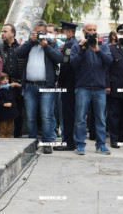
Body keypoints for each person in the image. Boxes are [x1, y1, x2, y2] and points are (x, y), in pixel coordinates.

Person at [16, 20, 63, 154]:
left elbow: (59, 58)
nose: (38, 34)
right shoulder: (29, 43)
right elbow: (18, 54)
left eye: (41, 32)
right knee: (30, 116)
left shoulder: (52, 43)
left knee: (46, 115)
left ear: (46, 32)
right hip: (30, 86)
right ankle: (32, 142)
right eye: (36, 32)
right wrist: (31, 41)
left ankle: (47, 143)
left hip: (46, 86)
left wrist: (45, 46)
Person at [70, 22, 113, 155]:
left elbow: (109, 61)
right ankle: (80, 145)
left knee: (101, 118)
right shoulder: (77, 46)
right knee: (80, 118)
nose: (92, 32)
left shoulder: (103, 45)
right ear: (83, 31)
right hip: (83, 87)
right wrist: (83, 49)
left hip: (99, 88)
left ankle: (101, 145)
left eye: (94, 30)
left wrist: (98, 50)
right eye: (89, 30)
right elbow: (73, 64)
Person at [106, 24, 123, 148]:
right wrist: (107, 85)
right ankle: (114, 138)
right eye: (122, 34)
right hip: (115, 87)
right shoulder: (110, 49)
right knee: (113, 114)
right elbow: (106, 69)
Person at [54, 20, 78, 151]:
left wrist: (60, 80)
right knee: (70, 113)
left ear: (69, 32)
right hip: (72, 83)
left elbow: (65, 66)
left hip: (68, 83)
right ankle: (70, 140)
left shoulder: (70, 45)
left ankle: (69, 142)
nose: (60, 34)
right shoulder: (71, 44)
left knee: (68, 114)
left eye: (62, 32)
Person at [1, 23, 25, 137]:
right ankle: (3, 135)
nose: (3, 33)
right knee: (4, 109)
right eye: (2, 31)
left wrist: (20, 83)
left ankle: (18, 135)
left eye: (5, 31)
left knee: (19, 111)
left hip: (18, 84)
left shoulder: (21, 48)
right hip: (4, 85)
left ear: (13, 33)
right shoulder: (0, 48)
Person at [0, 73, 20, 138]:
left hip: (11, 112)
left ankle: (8, 143)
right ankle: (2, 144)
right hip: (2, 114)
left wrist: (16, 84)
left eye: (7, 79)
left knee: (9, 130)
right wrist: (4, 104)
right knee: (3, 130)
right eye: (3, 79)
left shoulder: (10, 88)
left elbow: (17, 93)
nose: (5, 80)